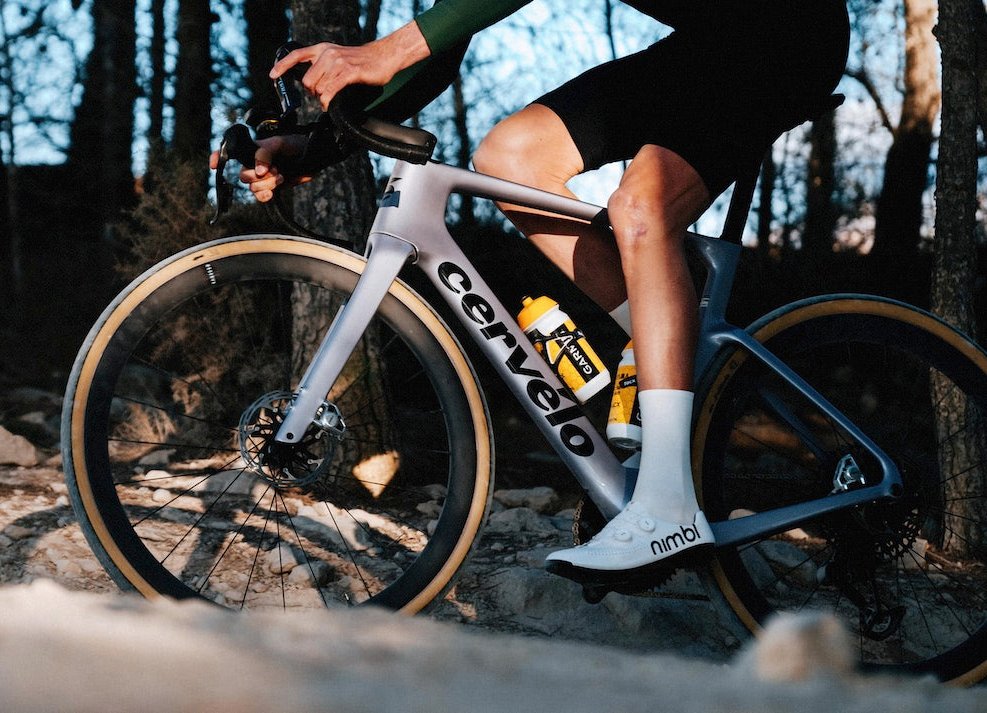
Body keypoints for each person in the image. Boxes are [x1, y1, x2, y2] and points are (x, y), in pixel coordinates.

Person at [215, 0, 850, 583]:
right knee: (510, 157)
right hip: (714, 37)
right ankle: (663, 358)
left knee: (642, 209)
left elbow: (412, 46)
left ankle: (666, 505)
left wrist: (386, 50)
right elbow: (448, 36)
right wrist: (314, 147)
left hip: (785, 31)